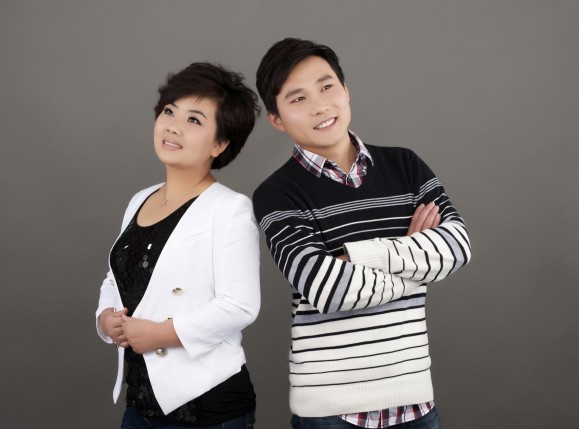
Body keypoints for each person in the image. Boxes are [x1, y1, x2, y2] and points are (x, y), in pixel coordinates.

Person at [252, 38, 472, 429]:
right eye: (298, 98)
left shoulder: (405, 165)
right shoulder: (276, 194)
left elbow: (457, 248)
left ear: (346, 90)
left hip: (416, 407)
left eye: (327, 87)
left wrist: (356, 257)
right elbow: (326, 289)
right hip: (329, 414)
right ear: (277, 119)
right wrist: (414, 259)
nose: (320, 106)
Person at [95, 62, 261, 429]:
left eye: (194, 120)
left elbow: (240, 306)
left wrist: (161, 334)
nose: (173, 126)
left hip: (207, 405)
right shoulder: (140, 199)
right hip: (140, 402)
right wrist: (107, 319)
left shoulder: (229, 208)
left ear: (220, 144)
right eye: (169, 112)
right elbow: (116, 278)